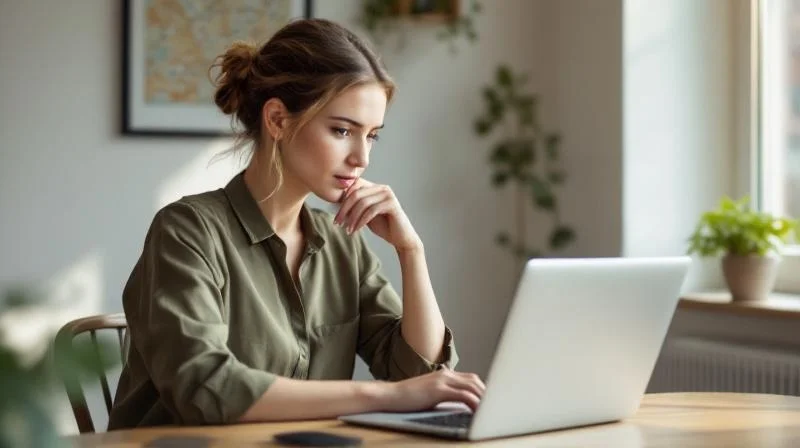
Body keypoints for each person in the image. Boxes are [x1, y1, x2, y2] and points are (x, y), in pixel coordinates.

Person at [108, 18, 485, 429]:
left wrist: (411, 252)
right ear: (277, 120)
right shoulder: (187, 232)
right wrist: (385, 396)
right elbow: (206, 388)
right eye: (343, 130)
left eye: (372, 135)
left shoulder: (343, 243)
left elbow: (419, 377)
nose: (362, 157)